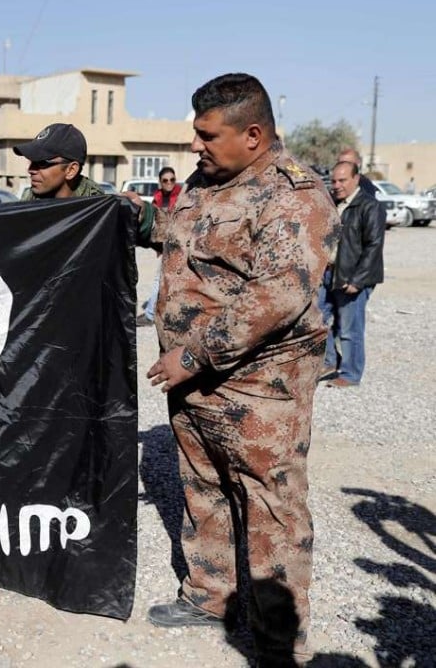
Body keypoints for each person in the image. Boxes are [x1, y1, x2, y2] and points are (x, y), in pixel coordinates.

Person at [128, 73, 339, 665]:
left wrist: (192, 354)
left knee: (271, 507)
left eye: (205, 135)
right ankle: (210, 595)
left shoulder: (294, 195)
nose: (195, 146)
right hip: (195, 385)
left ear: (252, 134)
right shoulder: (205, 181)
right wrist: (137, 220)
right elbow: (180, 240)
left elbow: (277, 295)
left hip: (258, 389)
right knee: (203, 488)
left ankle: (277, 639)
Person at [318, 160, 385, 387]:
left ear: (356, 179)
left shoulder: (369, 206)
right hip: (327, 274)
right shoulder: (332, 203)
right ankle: (329, 361)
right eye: (334, 180)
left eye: (342, 180)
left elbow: (374, 246)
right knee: (317, 321)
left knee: (349, 329)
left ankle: (350, 374)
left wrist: (358, 280)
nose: (337, 185)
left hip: (351, 277)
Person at [136, 167, 182, 327]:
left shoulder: (182, 196)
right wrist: (156, 246)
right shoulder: (157, 198)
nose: (169, 183)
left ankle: (149, 315)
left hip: (179, 243)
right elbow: (155, 226)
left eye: (172, 180)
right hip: (164, 245)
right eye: (165, 180)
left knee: (159, 279)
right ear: (160, 182)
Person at [13, 123, 105, 200]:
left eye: (42, 163)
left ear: (71, 170)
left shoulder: (96, 208)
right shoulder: (29, 200)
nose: (31, 170)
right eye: (32, 161)